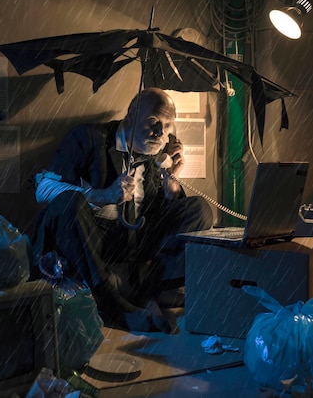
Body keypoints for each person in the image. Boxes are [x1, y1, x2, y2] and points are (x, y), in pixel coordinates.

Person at [32, 88, 213, 332]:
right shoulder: (88, 137)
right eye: (153, 122)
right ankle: (113, 306)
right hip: (91, 240)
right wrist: (102, 195)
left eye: (168, 126)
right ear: (131, 116)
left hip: (131, 243)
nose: (160, 134)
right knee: (70, 203)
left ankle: (148, 293)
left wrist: (171, 185)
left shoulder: (156, 156)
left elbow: (159, 217)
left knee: (198, 209)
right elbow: (43, 188)